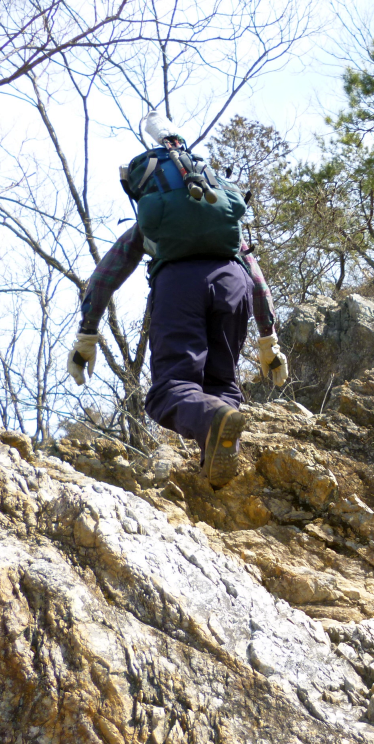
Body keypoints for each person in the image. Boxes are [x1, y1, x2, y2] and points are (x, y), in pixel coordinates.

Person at [67, 114, 288, 489]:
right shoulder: (220, 215)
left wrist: (87, 335)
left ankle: (213, 426)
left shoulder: (153, 222)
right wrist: (269, 340)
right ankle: (216, 461)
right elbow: (255, 274)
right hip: (231, 281)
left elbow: (107, 274)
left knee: (171, 389)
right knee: (221, 383)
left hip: (179, 284)